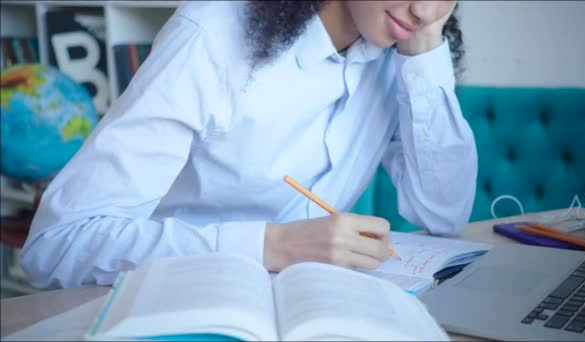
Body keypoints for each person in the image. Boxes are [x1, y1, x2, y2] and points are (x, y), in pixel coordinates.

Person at [21, 0, 477, 289]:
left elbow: (443, 213)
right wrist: (272, 246)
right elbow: (55, 247)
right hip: (169, 302)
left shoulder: (399, 49)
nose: (426, 10)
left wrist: (424, 54)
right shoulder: (211, 36)